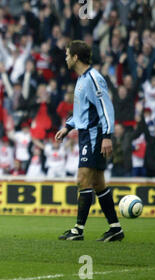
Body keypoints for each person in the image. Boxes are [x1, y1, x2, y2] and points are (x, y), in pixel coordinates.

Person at [55, 40, 123, 242]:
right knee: (98, 183)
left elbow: (105, 107)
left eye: (68, 54)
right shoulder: (82, 79)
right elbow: (82, 111)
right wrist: (68, 126)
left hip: (95, 135)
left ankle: (78, 230)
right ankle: (115, 228)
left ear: (76, 57)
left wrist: (107, 136)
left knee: (82, 180)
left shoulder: (94, 78)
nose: (66, 58)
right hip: (87, 134)